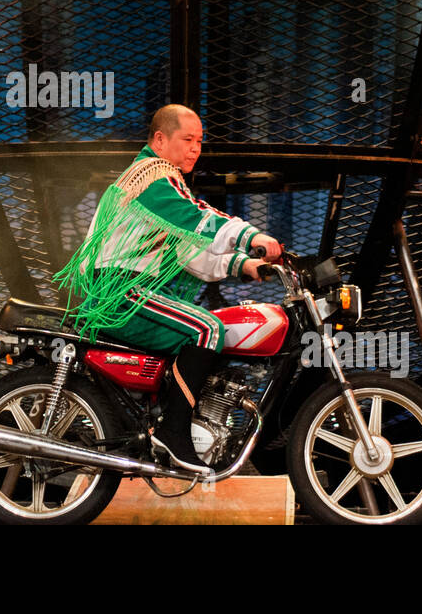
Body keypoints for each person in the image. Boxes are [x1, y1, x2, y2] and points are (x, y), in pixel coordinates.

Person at [53, 105, 283, 472]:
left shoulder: (156, 181)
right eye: (187, 140)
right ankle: (174, 434)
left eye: (200, 142)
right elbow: (200, 218)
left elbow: (189, 254)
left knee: (202, 328)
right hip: (121, 294)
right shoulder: (153, 177)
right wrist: (252, 235)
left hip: (124, 291)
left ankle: (174, 426)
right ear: (160, 140)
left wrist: (243, 265)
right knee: (207, 329)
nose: (195, 149)